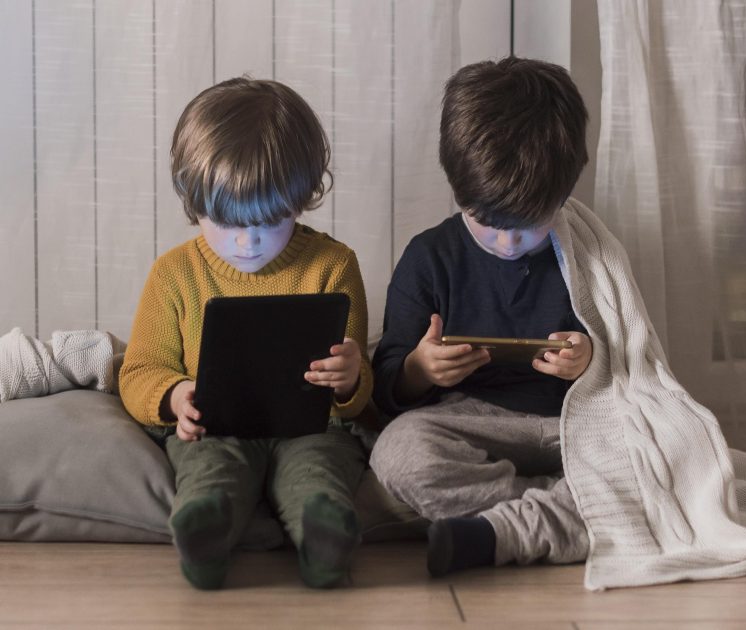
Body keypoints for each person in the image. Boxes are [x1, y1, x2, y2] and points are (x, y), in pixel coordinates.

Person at [119, 77, 372, 590]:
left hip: (310, 429)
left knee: (320, 470)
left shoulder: (334, 266)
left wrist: (348, 380)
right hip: (217, 430)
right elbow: (140, 369)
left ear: (301, 200)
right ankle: (205, 531)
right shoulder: (174, 274)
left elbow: (357, 391)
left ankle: (325, 538)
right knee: (210, 470)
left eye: (270, 220)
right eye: (227, 220)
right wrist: (175, 396)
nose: (247, 241)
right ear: (195, 202)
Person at [369, 57, 593, 577]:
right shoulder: (430, 257)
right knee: (400, 452)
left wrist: (590, 359)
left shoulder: (588, 253)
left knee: (679, 459)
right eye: (487, 223)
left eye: (530, 224)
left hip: (574, 425)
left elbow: (632, 361)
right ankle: (566, 511)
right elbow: (384, 388)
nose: (507, 241)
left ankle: (500, 531)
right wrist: (419, 371)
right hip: (469, 423)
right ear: (457, 188)